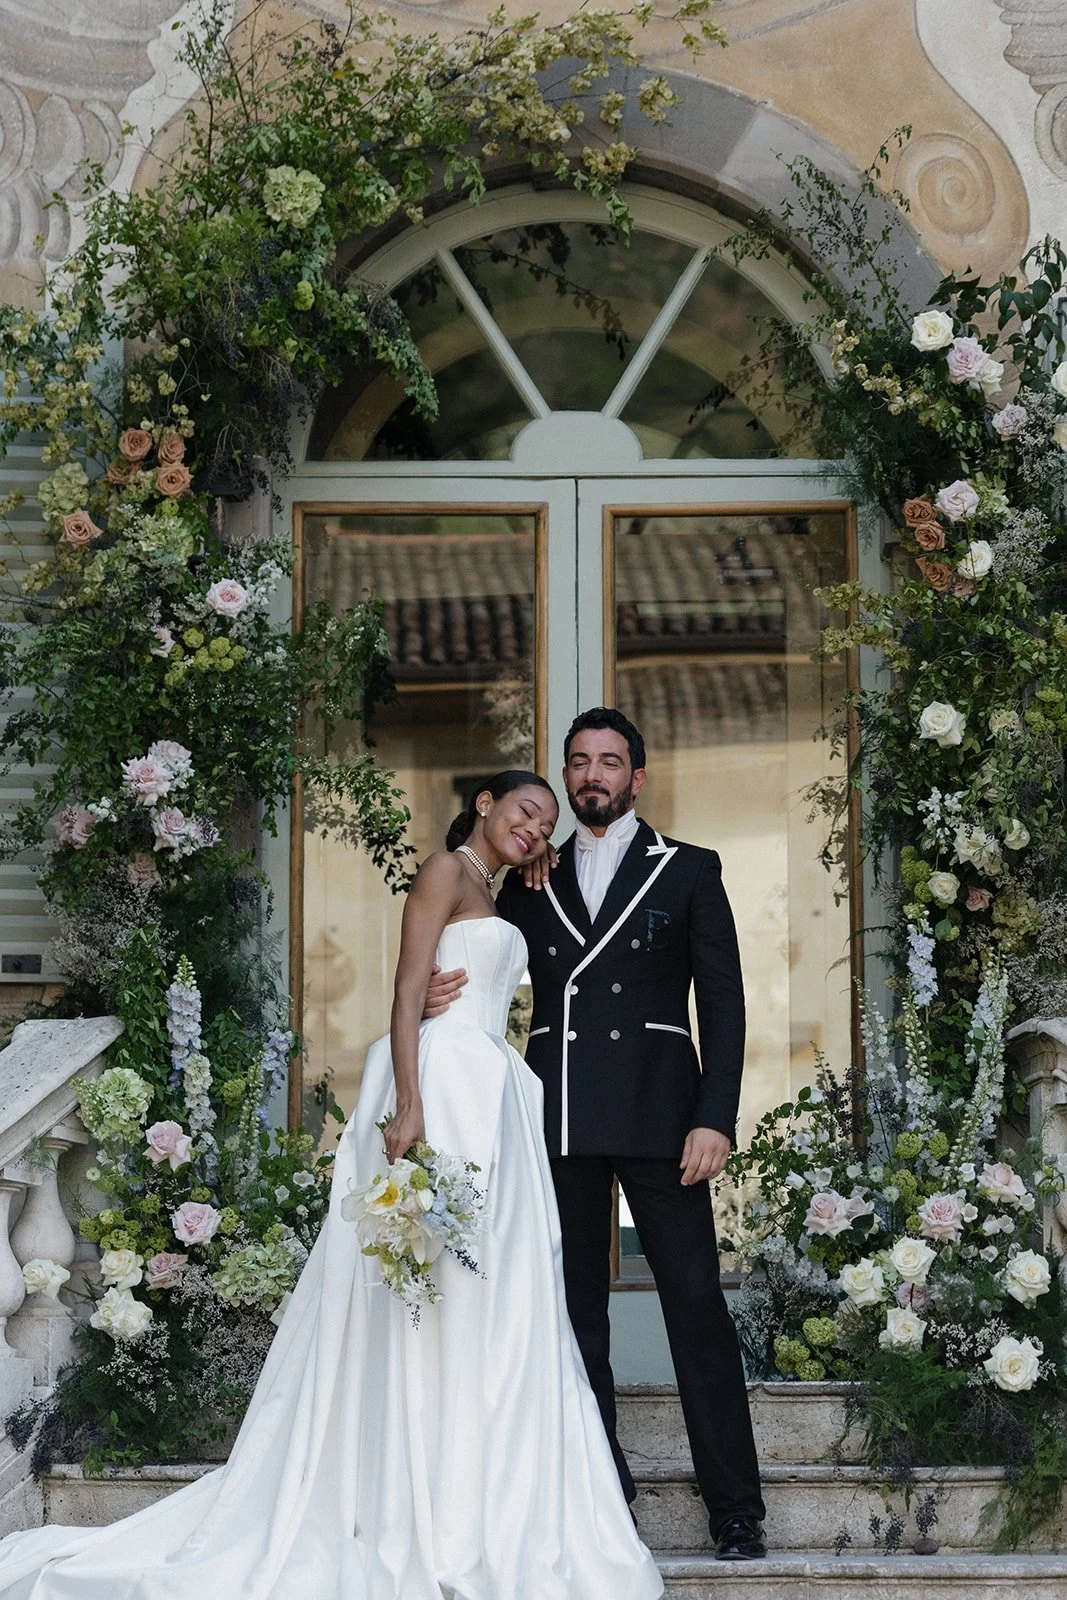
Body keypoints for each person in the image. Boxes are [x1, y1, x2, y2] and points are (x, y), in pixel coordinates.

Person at [0, 770, 663, 1600]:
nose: (535, 828)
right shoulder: (444, 870)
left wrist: (536, 859)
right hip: (442, 1087)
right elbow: (407, 989)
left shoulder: (494, 885)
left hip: (490, 1092)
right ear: (484, 804)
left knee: (489, 1294)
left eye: (546, 824)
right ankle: (417, 1494)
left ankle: (471, 1487)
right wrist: (410, 1104)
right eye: (524, 811)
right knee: (432, 1283)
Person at [427, 711, 767, 1561]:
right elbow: (468, 946)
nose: (592, 775)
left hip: (663, 1118)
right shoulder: (526, 879)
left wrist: (714, 1116)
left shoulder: (687, 868)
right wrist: (431, 992)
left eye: (609, 762)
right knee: (575, 1315)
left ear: (636, 778)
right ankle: (602, 1498)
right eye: (578, 762)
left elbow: (722, 1004)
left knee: (696, 1309)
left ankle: (735, 1509)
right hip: (558, 1118)